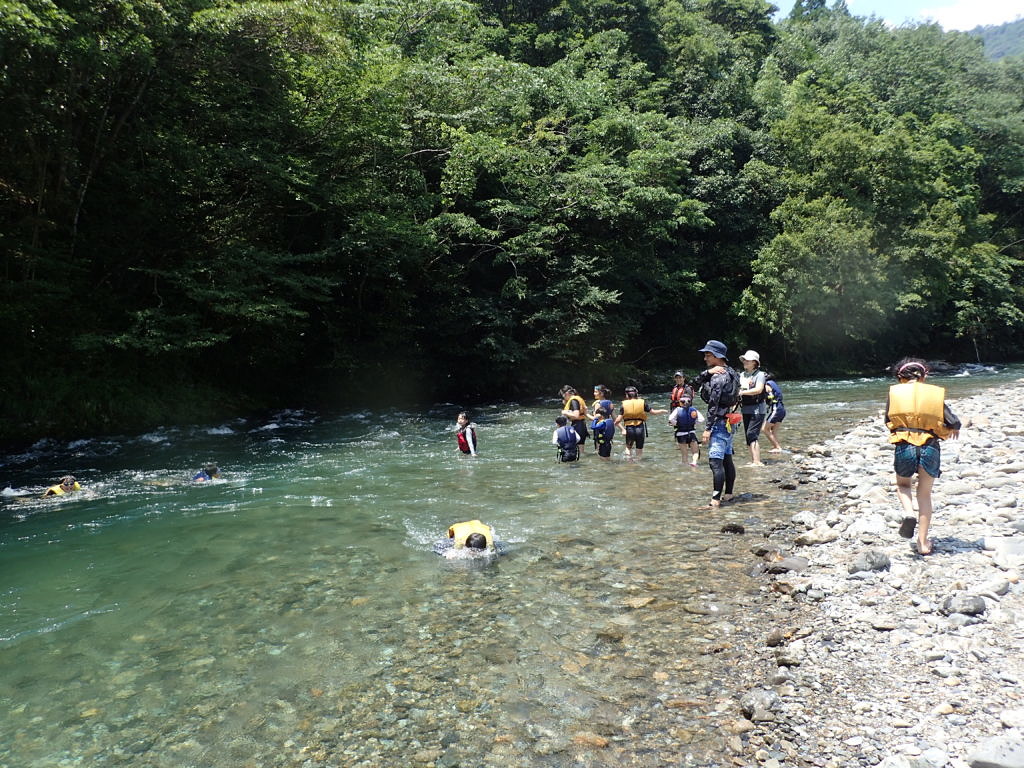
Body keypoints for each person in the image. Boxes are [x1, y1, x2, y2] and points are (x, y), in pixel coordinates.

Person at [885, 358, 961, 556]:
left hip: (904, 445)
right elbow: (953, 421)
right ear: (924, 375)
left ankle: (909, 514)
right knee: (925, 494)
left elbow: (887, 419)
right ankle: (922, 543)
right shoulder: (934, 394)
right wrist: (954, 429)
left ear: (900, 377)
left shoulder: (894, 393)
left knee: (903, 485)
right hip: (930, 447)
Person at [696, 340, 741, 507]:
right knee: (727, 458)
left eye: (708, 355)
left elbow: (713, 404)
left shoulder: (718, 378)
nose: (705, 358)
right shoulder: (733, 373)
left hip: (719, 423)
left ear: (717, 356)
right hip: (730, 420)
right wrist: (707, 372)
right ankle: (728, 494)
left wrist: (707, 429)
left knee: (715, 462)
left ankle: (715, 500)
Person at [614, 386, 668, 461]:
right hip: (640, 428)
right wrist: (662, 411)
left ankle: (629, 462)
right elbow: (653, 412)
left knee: (628, 448)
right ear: (636, 394)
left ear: (627, 395)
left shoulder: (624, 404)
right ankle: (638, 461)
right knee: (639, 448)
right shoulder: (642, 402)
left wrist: (616, 425)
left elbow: (618, 420)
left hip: (630, 429)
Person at [737, 350, 767, 466]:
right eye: (744, 360)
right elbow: (738, 389)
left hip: (758, 409)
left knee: (752, 434)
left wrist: (742, 393)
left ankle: (757, 461)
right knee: (747, 435)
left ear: (754, 363)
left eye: (747, 360)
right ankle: (753, 460)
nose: (744, 362)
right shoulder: (742, 375)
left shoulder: (760, 375)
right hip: (745, 408)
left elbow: (759, 389)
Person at [433, 519, 504, 558]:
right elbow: (455, 550)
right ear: (465, 545)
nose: (475, 554)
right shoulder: (460, 540)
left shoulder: (489, 541)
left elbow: (493, 551)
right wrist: (450, 554)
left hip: (477, 526)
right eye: (472, 551)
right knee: (440, 546)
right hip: (460, 527)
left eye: (478, 551)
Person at [669, 396, 701, 467]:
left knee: (684, 453)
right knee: (695, 452)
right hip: (691, 433)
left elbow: (671, 418)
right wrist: (695, 424)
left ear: (681, 403)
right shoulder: (694, 410)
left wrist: (676, 423)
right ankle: (694, 462)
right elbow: (701, 419)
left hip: (681, 433)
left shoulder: (677, 410)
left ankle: (685, 464)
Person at [559, 385, 590, 454]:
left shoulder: (573, 400)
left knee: (578, 452)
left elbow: (576, 415)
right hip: (581, 425)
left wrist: (564, 412)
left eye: (563, 396)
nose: (563, 398)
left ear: (566, 394)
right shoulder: (576, 399)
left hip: (578, 426)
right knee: (581, 451)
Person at [764, 373, 786, 452]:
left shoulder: (767, 384)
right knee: (773, 431)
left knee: (764, 429)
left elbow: (769, 393)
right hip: (782, 409)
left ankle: (777, 447)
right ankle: (776, 447)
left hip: (776, 409)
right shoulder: (773, 383)